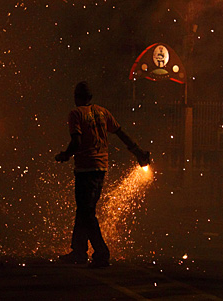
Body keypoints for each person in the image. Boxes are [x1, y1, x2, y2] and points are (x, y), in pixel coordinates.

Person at [55, 81, 150, 268]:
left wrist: (65, 155)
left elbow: (76, 141)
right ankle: (79, 252)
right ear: (91, 97)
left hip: (85, 169)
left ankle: (101, 253)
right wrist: (138, 152)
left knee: (87, 212)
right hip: (101, 168)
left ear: (76, 97)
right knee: (84, 210)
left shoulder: (76, 114)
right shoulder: (103, 112)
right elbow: (121, 134)